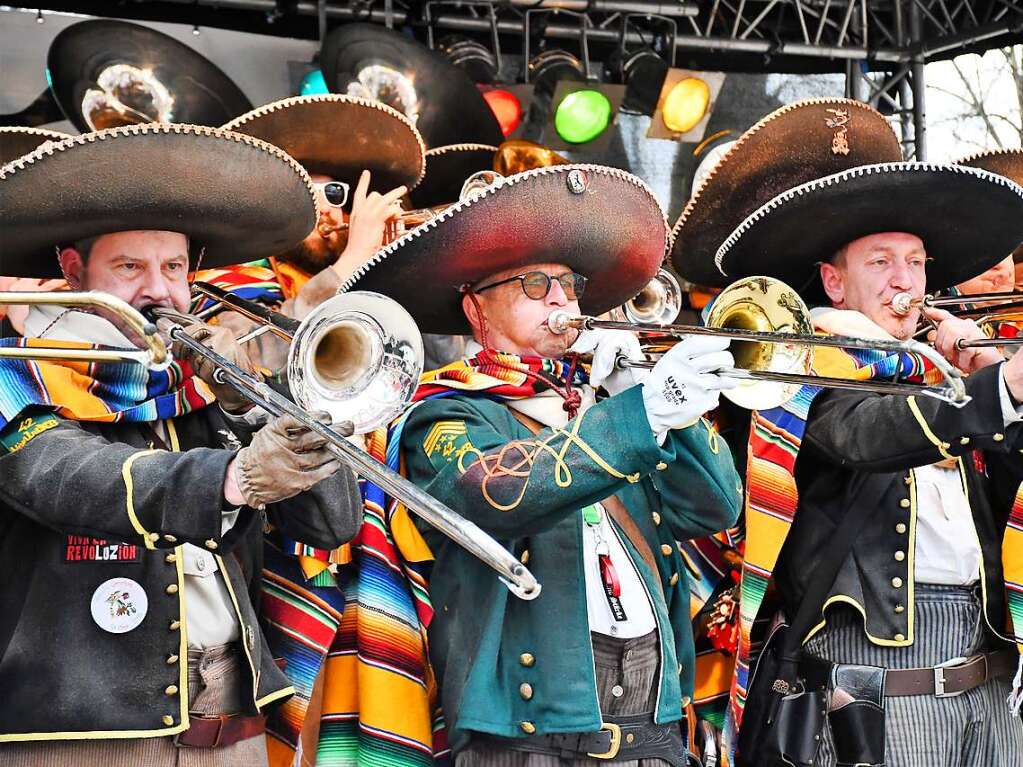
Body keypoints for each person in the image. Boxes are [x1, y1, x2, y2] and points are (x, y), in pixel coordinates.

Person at [341, 164, 744, 765]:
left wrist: (642, 388)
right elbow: (500, 492)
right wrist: (642, 413)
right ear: (477, 310)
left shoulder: (608, 405)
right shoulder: (442, 412)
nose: (561, 299)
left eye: (569, 283)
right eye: (534, 284)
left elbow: (716, 504)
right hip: (524, 739)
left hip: (653, 731)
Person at [0, 123, 363, 765]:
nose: (160, 291)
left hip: (232, 730)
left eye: (173, 267)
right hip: (81, 739)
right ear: (72, 269)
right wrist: (233, 477)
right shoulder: (18, 374)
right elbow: (68, 476)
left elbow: (331, 523)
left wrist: (249, 399)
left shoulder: (193, 386)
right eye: (130, 267)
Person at [702, 147, 1023, 765]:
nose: (904, 282)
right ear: (833, 282)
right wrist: (1000, 390)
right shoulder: (808, 369)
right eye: (880, 263)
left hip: (989, 685)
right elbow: (867, 432)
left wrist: (989, 376)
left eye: (915, 263)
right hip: (881, 691)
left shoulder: (946, 372)